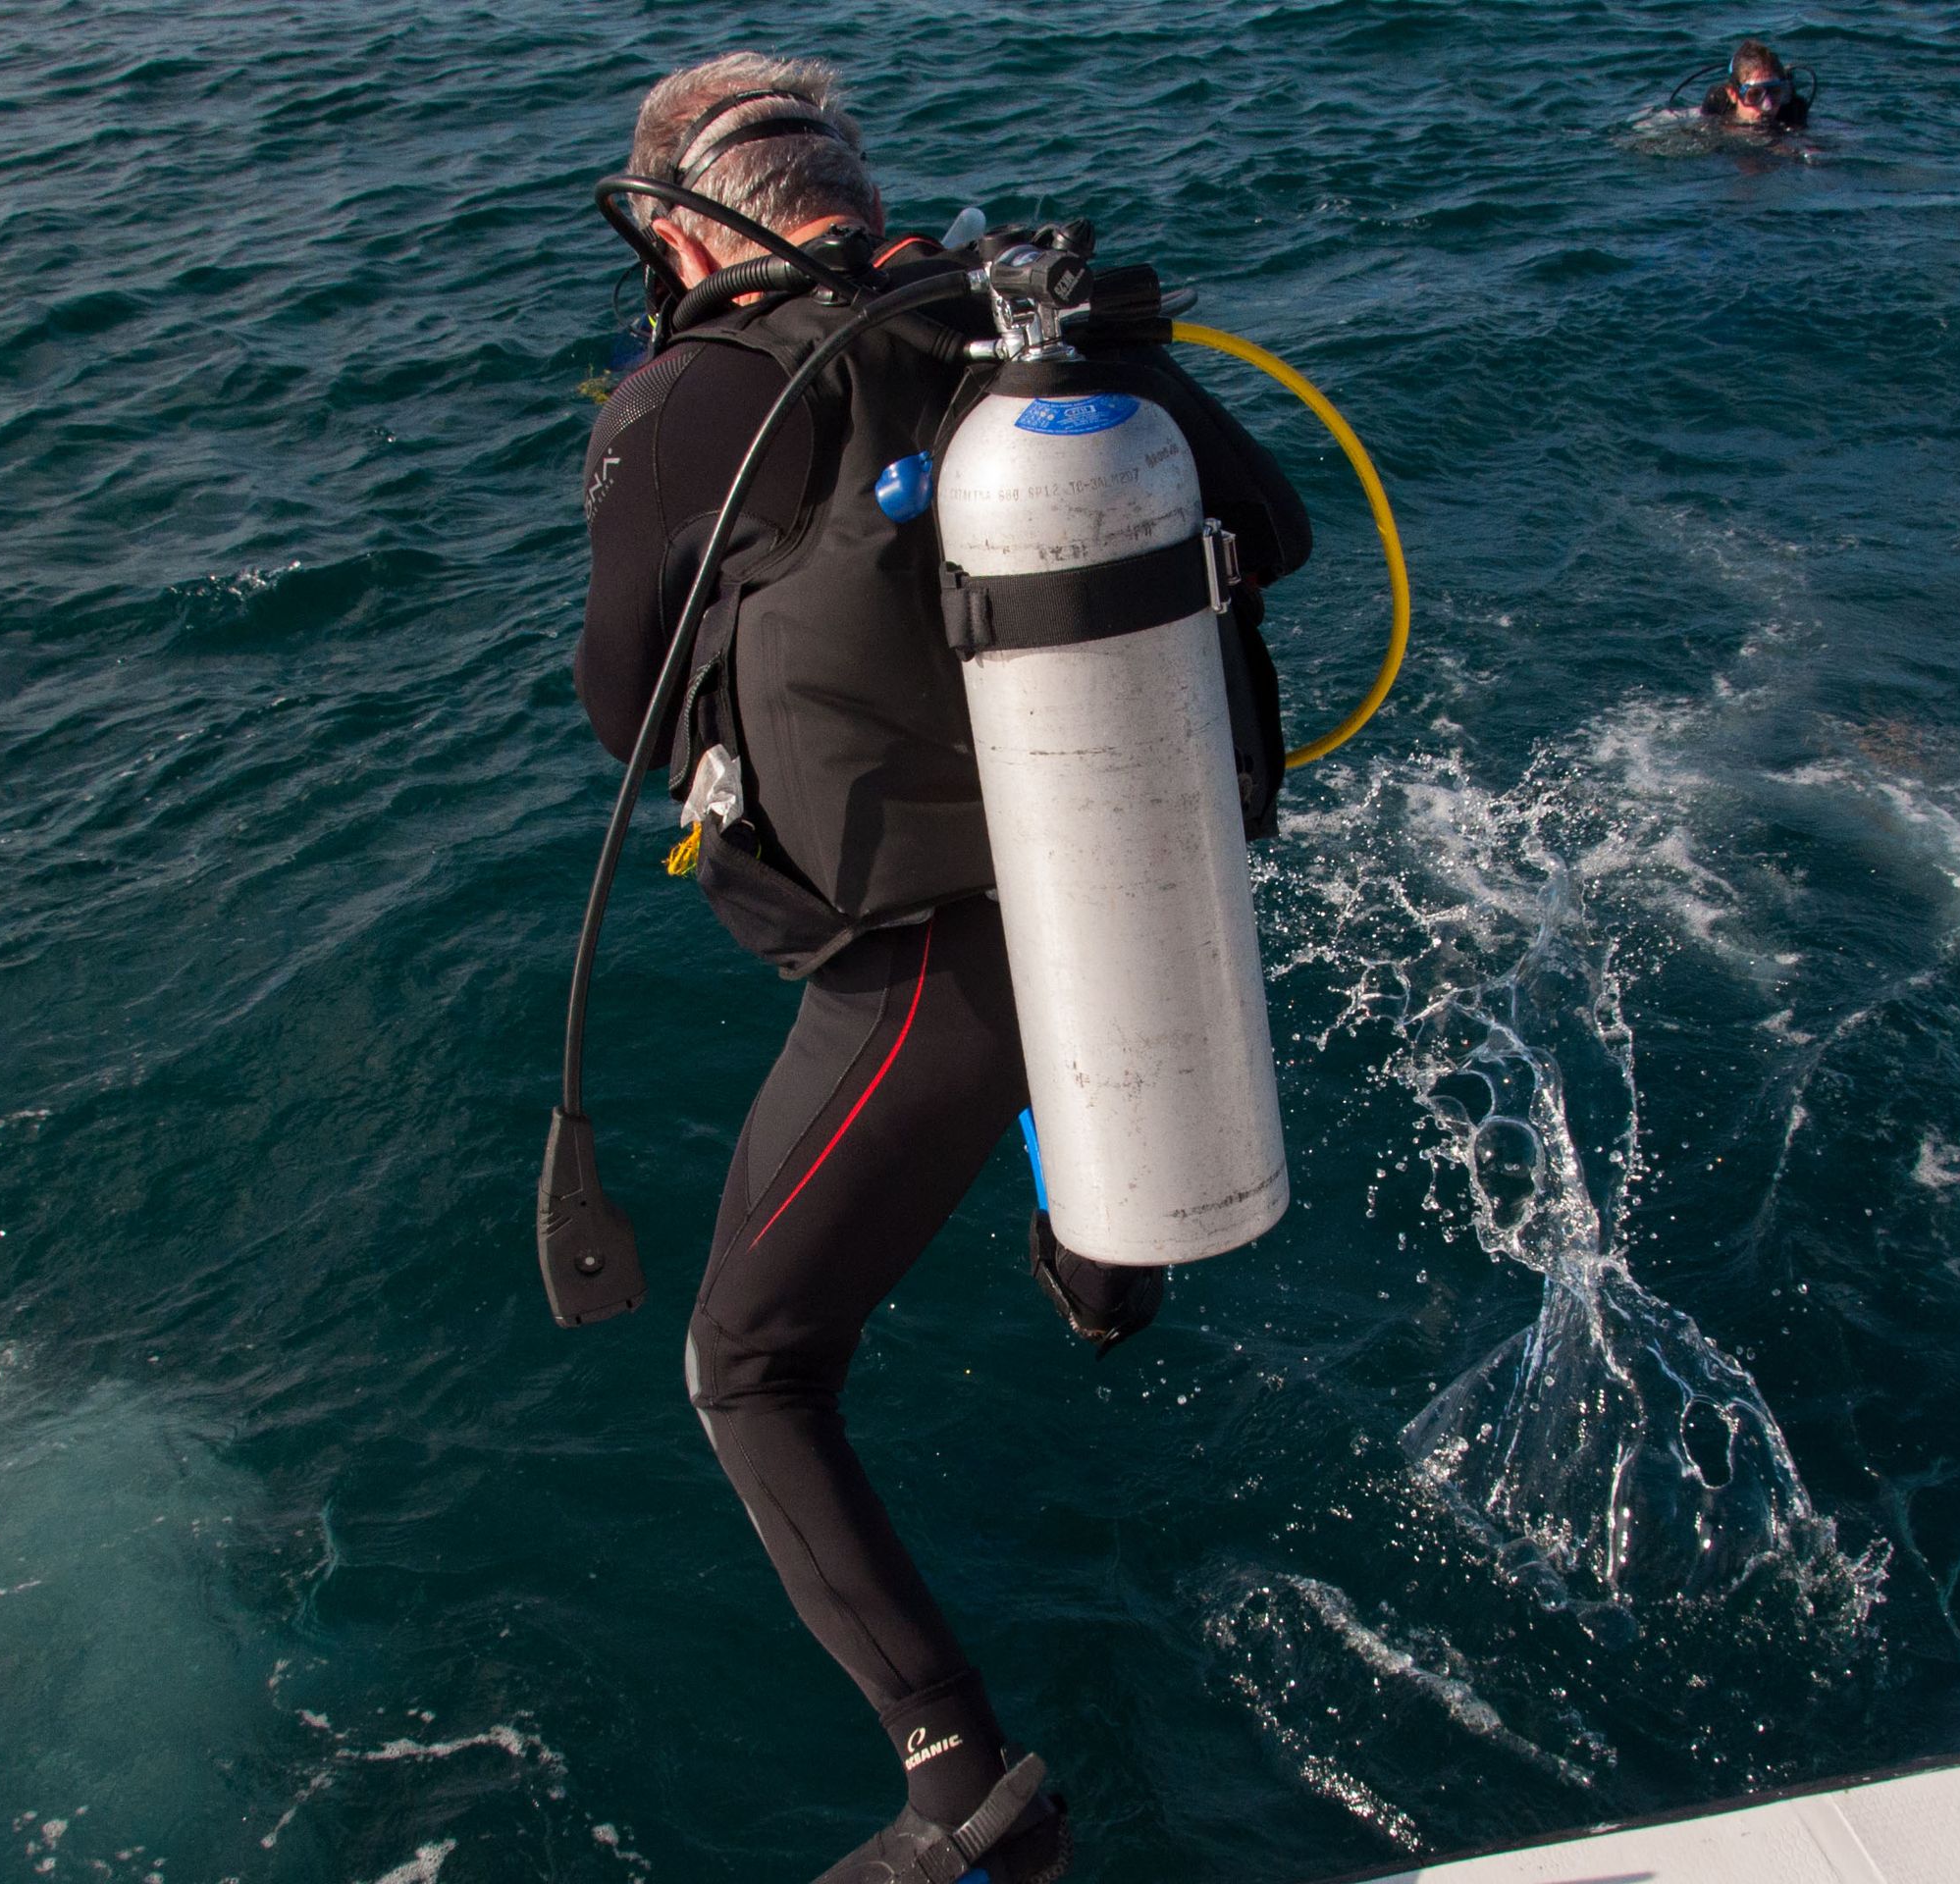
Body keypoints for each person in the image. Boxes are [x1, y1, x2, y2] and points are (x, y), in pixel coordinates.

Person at [575, 52, 1312, 1884]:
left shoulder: (698, 390)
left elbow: (622, 707)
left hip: (935, 958)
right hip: (1146, 868)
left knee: (751, 1365)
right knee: (1058, 1060)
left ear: (680, 229)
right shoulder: (1032, 333)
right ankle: (1102, 1252)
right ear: (851, 185)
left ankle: (962, 1787)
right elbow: (1276, 532)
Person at [1700, 39, 1813, 131]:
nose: (1767, 106)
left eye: (1775, 92)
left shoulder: (1792, 121)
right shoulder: (1711, 125)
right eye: (1755, 94)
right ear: (1733, 93)